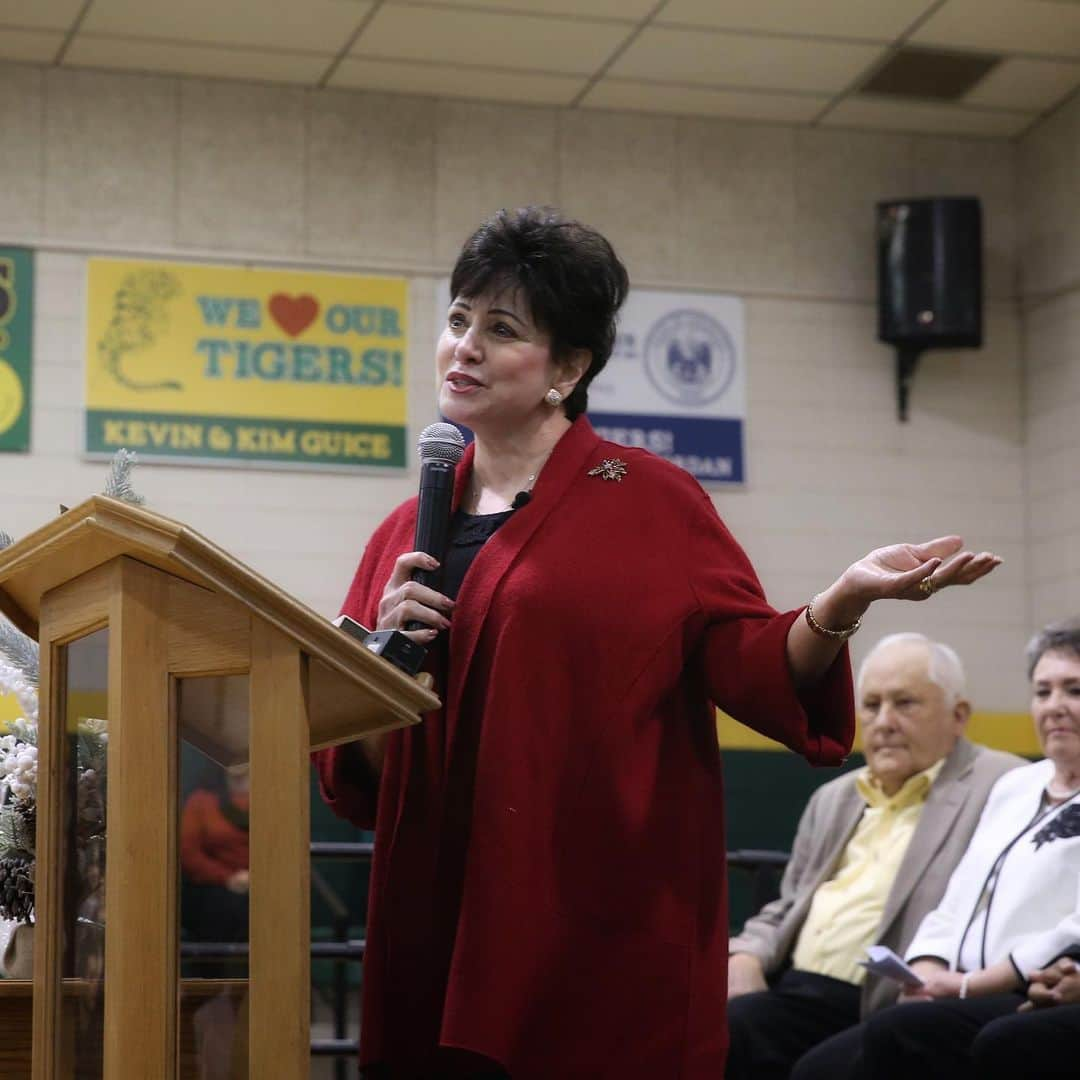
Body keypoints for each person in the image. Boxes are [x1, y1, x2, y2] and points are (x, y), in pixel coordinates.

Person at [312, 206, 1001, 1080]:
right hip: (435, 911)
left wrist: (843, 598)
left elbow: (752, 665)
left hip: (590, 918)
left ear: (569, 367)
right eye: (456, 321)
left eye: (501, 328)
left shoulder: (648, 500)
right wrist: (382, 666)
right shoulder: (405, 528)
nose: (464, 348)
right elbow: (363, 766)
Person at [725, 633, 1021, 1079]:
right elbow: (787, 904)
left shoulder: (1004, 784)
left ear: (958, 716)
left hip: (889, 999)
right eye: (872, 705)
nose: (884, 722)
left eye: (905, 704)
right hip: (797, 988)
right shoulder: (835, 797)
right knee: (706, 1029)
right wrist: (746, 957)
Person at [860, 616, 1080, 1079]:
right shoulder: (1015, 785)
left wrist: (968, 986)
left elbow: (1072, 929)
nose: (1055, 706)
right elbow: (957, 898)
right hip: (956, 984)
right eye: (1043, 692)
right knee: (823, 1066)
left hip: (1026, 986)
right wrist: (922, 972)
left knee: (902, 1034)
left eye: (1073, 690)